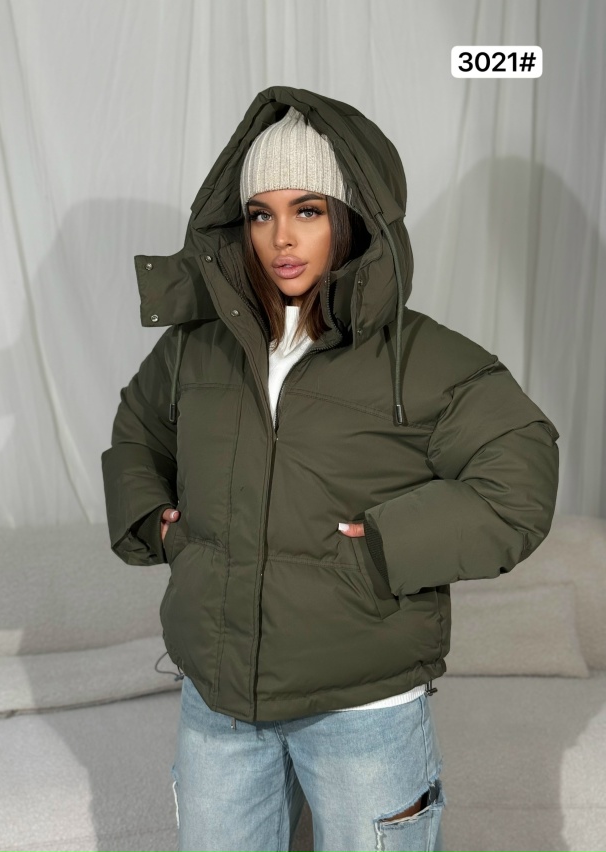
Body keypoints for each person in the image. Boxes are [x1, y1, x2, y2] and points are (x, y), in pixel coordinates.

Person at [101, 86, 559, 852]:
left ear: (351, 218)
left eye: (308, 210)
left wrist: (383, 548)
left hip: (361, 710)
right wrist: (158, 523)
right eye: (260, 213)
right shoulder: (197, 348)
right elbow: (138, 430)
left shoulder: (426, 361)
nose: (281, 237)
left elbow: (518, 484)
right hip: (218, 700)